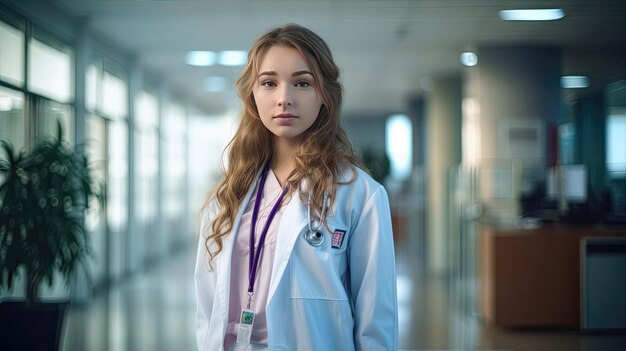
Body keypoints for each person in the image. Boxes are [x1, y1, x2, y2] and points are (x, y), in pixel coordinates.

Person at [195, 23, 397, 351]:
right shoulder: (228, 196)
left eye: (302, 83)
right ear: (253, 95)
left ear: (325, 96)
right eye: (269, 83)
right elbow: (206, 307)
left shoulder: (359, 194)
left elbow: (377, 318)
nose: (284, 98)